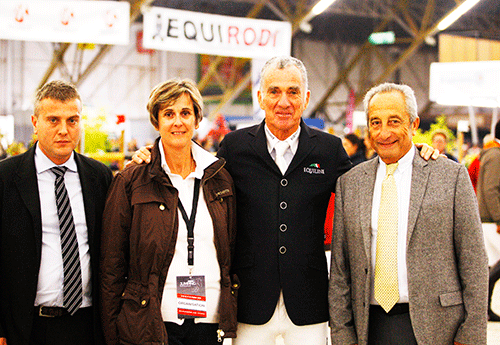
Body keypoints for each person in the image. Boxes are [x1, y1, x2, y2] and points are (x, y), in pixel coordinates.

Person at [130, 57, 439, 344]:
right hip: (250, 300)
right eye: (274, 91)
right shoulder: (234, 147)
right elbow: (193, 174)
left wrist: (414, 152)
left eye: (293, 92)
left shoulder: (328, 150)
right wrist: (150, 157)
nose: (283, 102)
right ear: (260, 97)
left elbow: (368, 183)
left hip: (309, 302)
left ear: (305, 98)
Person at [329, 82, 488, 345]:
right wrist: (343, 336)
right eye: (375, 122)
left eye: (394, 121)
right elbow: (340, 272)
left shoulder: (450, 176)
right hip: (369, 327)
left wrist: (470, 334)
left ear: (413, 125)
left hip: (439, 328)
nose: (384, 132)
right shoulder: (350, 183)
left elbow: (473, 261)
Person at [100, 78, 238, 345]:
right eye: (168, 114)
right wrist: (111, 333)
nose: (178, 122)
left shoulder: (220, 179)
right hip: (150, 323)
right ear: (156, 122)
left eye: (186, 113)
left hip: (209, 324)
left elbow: (230, 249)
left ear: (197, 120)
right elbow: (111, 266)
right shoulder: (131, 181)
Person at [0, 80, 113, 345]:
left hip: (88, 325)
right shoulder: (6, 178)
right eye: (53, 120)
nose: (64, 130)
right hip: (28, 327)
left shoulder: (99, 178)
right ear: (35, 123)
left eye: (72, 120)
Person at [477, 120, 500, 322]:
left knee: (492, 265)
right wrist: (499, 218)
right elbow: (491, 189)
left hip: (490, 218)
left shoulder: (492, 154)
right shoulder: (496, 156)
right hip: (492, 220)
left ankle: (485, 307)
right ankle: (483, 305)